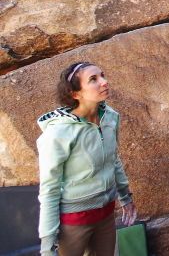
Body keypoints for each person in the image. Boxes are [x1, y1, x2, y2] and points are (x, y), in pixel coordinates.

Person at [37, 62, 137, 256]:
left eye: (102, 75)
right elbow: (49, 189)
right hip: (74, 221)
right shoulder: (58, 133)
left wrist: (125, 196)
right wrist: (47, 245)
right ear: (75, 94)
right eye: (93, 80)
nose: (104, 82)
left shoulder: (110, 117)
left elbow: (113, 159)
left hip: (106, 214)